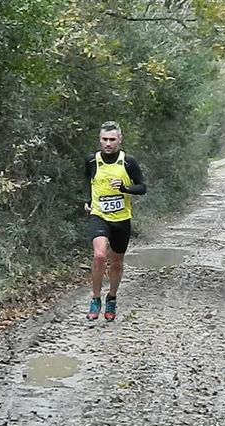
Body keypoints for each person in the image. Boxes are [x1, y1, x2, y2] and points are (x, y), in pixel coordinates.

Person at [84, 121, 147, 321]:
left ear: (119, 140)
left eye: (112, 139)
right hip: (99, 215)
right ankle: (95, 299)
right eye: (105, 139)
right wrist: (87, 200)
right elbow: (88, 182)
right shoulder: (92, 160)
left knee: (117, 261)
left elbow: (142, 187)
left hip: (121, 219)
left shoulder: (128, 161)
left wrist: (125, 188)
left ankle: (111, 297)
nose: (108, 143)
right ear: (99, 140)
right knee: (100, 255)